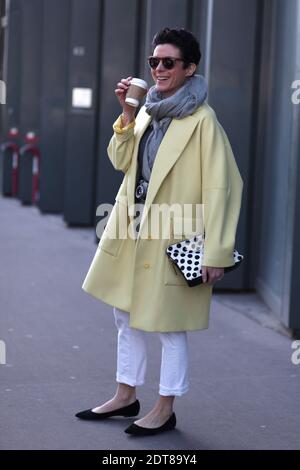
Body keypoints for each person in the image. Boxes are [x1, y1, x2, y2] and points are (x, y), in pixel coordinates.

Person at [76, 27, 243, 436]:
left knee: (168, 323)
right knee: (125, 314)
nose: (159, 69)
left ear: (190, 68)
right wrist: (127, 115)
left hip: (175, 232)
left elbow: (224, 187)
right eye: (154, 62)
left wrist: (216, 253)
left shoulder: (203, 121)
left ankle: (165, 406)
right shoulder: (150, 109)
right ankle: (125, 394)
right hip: (134, 227)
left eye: (169, 62)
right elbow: (120, 161)